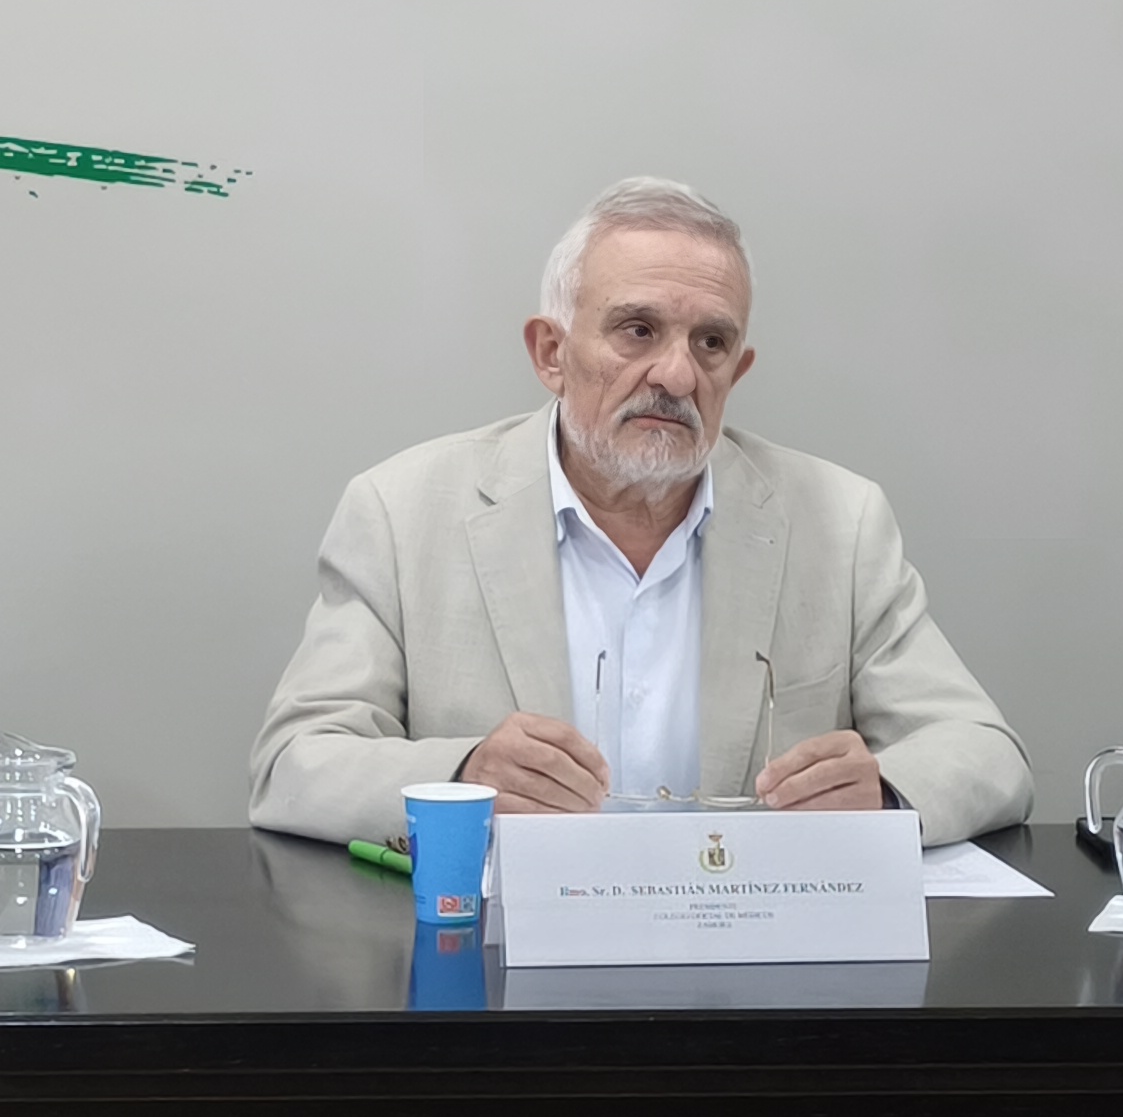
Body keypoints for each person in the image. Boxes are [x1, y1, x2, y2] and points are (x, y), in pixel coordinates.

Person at [249, 176, 1034, 845]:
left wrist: (884, 796)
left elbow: (987, 754)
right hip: (496, 962)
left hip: (749, 957)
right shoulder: (402, 512)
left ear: (737, 371)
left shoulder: (841, 521)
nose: (677, 375)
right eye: (638, 330)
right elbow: (294, 764)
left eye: (711, 344)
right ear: (551, 352)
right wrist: (463, 778)